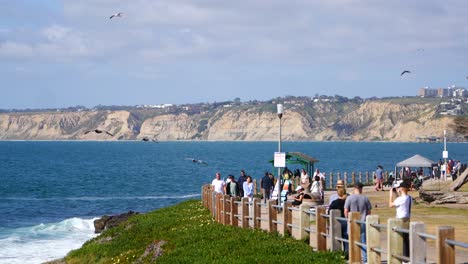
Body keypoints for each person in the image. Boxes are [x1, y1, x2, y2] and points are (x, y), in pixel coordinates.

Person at [344, 182, 372, 264]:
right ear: (361, 188)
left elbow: (346, 210)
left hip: (352, 222)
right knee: (363, 242)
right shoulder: (365, 198)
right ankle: (365, 259)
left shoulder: (349, 198)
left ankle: (354, 258)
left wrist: (348, 219)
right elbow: (369, 212)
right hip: (363, 222)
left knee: (352, 241)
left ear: (354, 188)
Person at [389, 181, 412, 259]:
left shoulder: (401, 199)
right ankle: (407, 257)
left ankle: (404, 258)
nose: (397, 189)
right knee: (406, 239)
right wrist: (396, 193)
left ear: (402, 189)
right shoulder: (409, 197)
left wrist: (390, 195)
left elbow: (390, 205)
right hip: (407, 218)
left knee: (401, 239)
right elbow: (399, 201)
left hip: (400, 220)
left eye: (399, 188)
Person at [329, 188, 348, 255]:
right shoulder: (347, 202)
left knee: (337, 238)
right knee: (346, 238)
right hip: (346, 221)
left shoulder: (334, 203)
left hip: (337, 222)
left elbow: (329, 211)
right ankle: (347, 253)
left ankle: (337, 252)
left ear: (338, 194)